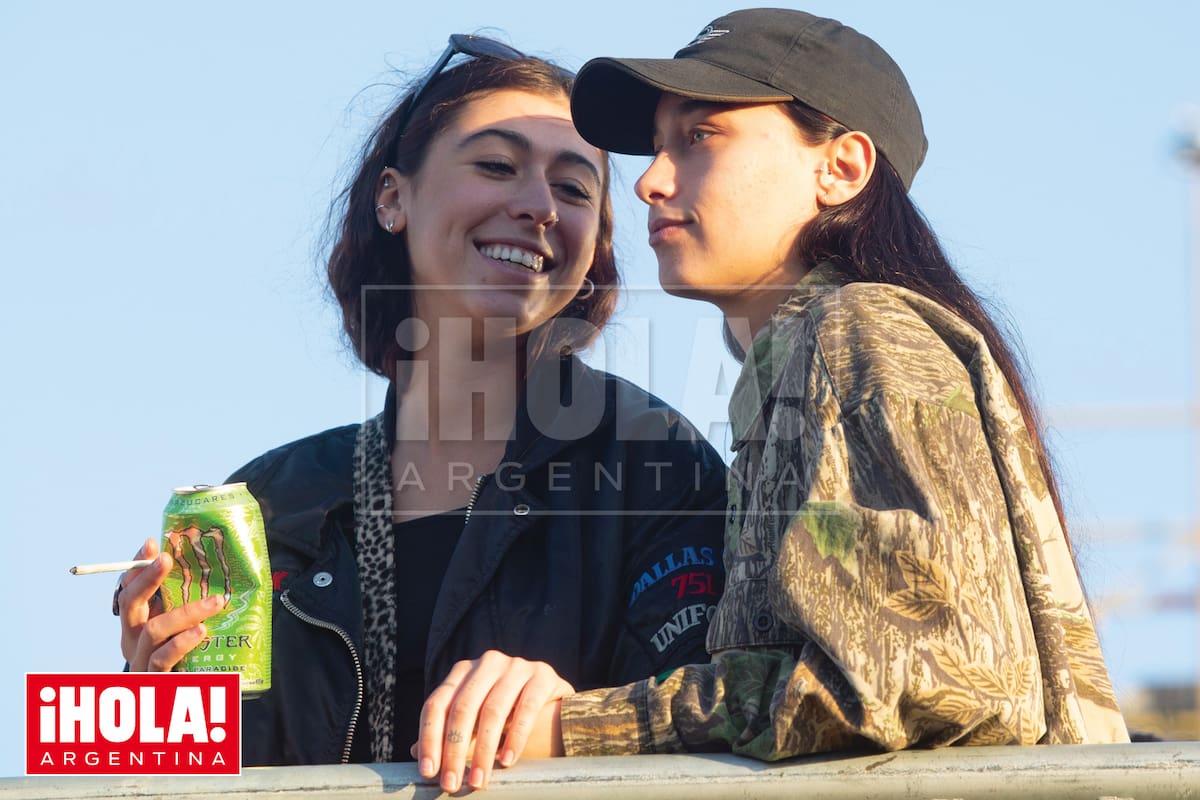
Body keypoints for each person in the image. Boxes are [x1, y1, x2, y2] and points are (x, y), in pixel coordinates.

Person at [417, 9, 1130, 781]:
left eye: (699, 138)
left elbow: (903, 682)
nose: (652, 179)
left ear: (843, 168)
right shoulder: (811, 352)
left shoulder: (859, 331)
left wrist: (577, 725)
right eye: (658, 146)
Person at [114, 35, 727, 786]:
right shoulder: (268, 502)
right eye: (497, 165)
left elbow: (723, 731)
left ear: (595, 245)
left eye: (574, 190)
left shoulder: (655, 464)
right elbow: (179, 777)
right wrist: (156, 714)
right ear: (393, 198)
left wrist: (573, 720)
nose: (536, 205)